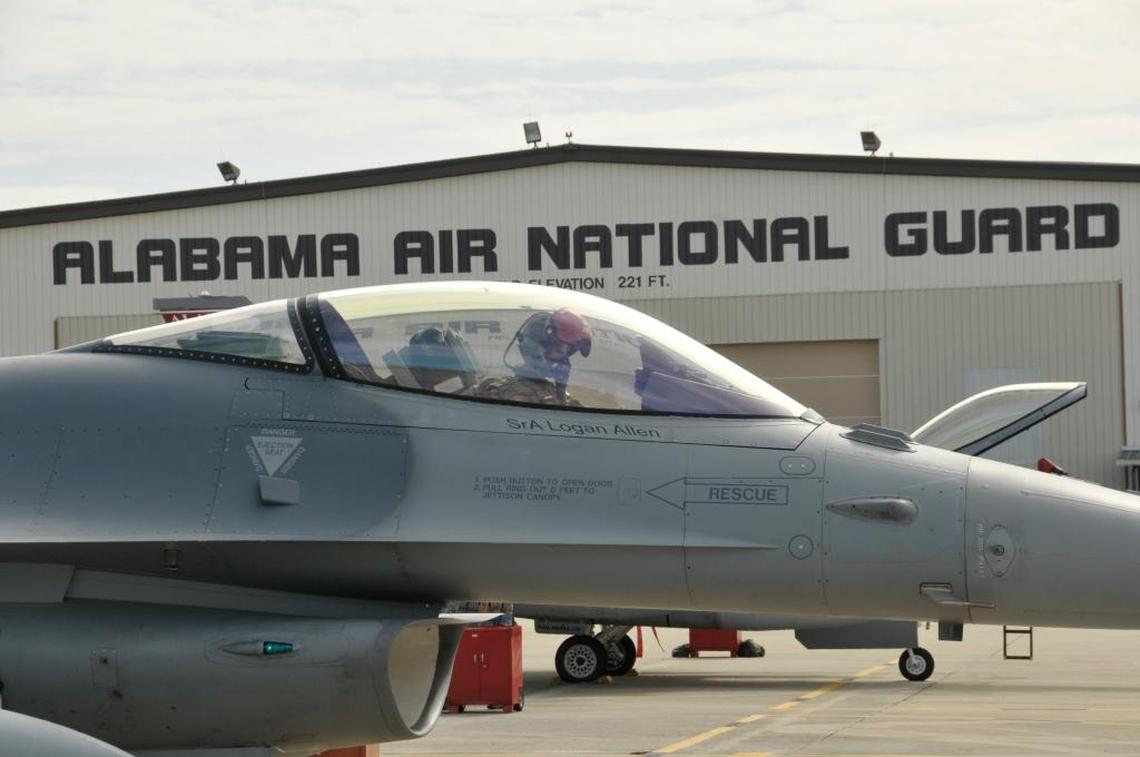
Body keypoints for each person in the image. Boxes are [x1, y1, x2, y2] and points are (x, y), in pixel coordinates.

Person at [478, 308, 593, 406]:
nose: (563, 361)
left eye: (568, 352)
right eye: (558, 349)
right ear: (533, 350)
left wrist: (561, 392)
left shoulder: (551, 392)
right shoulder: (510, 396)